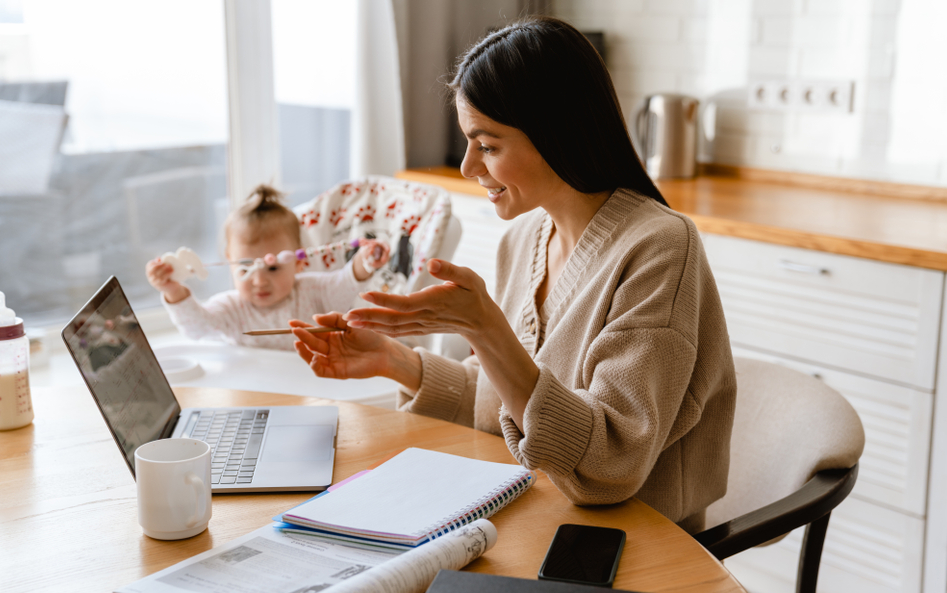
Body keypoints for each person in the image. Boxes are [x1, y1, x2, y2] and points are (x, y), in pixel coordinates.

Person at [290, 16, 736, 533]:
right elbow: (499, 407)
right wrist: (396, 360)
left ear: (557, 133)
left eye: (488, 145)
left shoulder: (660, 247)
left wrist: (485, 329)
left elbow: (613, 464)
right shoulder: (522, 241)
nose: (466, 167)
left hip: (634, 543)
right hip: (533, 515)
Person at [146, 184, 390, 351]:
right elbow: (196, 328)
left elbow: (347, 281)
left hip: (310, 389)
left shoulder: (314, 292)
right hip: (253, 396)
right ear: (229, 260)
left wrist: (365, 261)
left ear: (299, 262)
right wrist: (172, 291)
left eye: (273, 269)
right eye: (246, 267)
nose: (260, 281)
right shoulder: (231, 308)